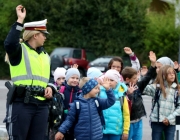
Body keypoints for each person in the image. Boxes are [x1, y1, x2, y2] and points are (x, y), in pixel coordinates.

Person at [3, 5, 56, 140]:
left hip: (42, 106)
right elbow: (9, 43)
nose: (45, 38)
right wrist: (19, 21)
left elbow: (49, 77)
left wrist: (50, 86)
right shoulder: (19, 50)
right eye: (44, 35)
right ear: (35, 35)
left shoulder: (45, 55)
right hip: (22, 104)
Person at [121, 51, 157, 140]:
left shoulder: (138, 86)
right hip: (128, 122)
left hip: (138, 120)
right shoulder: (121, 89)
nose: (137, 79)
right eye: (134, 78)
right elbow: (123, 106)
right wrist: (128, 94)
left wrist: (153, 64)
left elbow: (147, 77)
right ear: (127, 79)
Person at [143, 65, 180, 140]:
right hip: (157, 122)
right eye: (169, 73)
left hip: (171, 123)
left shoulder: (177, 90)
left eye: (173, 73)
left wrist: (169, 119)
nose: (172, 75)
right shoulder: (156, 88)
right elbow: (141, 88)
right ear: (163, 75)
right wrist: (144, 77)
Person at [99, 69, 130, 140]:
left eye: (111, 80)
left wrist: (125, 131)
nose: (109, 82)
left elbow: (126, 114)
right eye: (107, 79)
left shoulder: (121, 95)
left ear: (117, 81)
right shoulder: (99, 92)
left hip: (116, 130)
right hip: (101, 130)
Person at [60, 67, 80, 140]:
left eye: (77, 78)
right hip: (62, 121)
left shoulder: (80, 92)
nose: (75, 80)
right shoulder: (62, 90)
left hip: (75, 122)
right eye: (72, 77)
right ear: (67, 78)